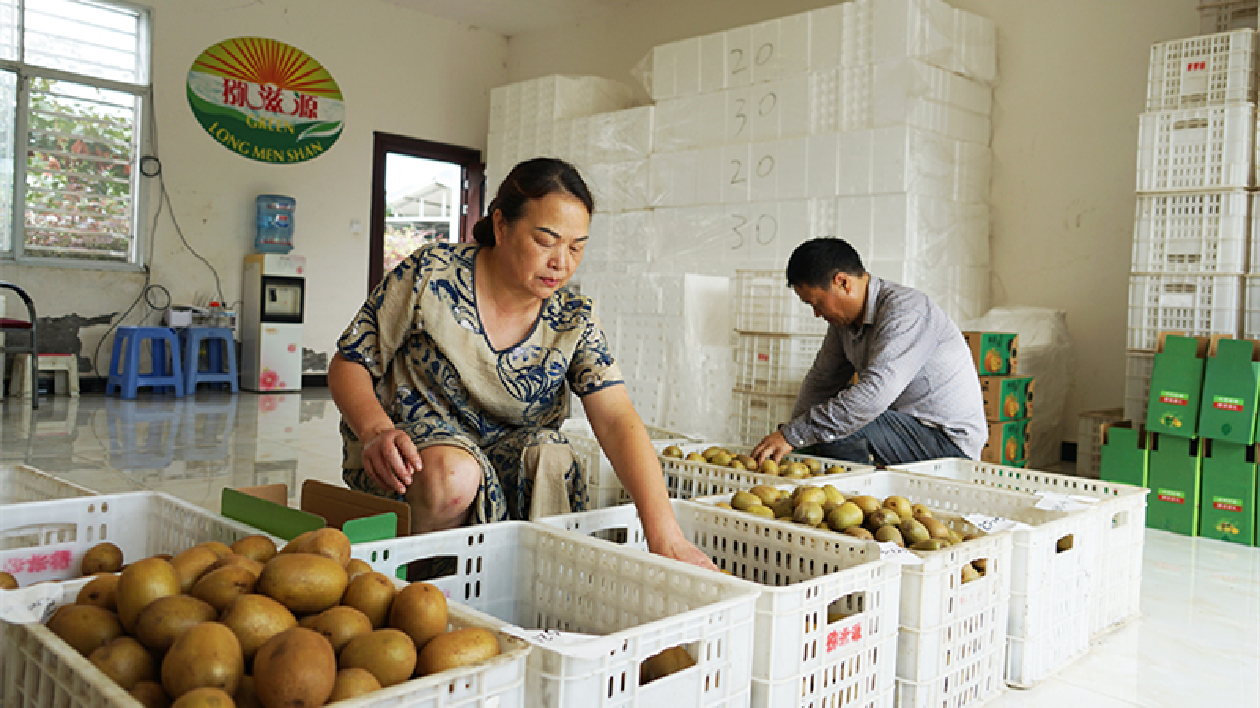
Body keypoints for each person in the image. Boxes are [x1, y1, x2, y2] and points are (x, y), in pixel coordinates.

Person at [329, 157, 714, 570]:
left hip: (507, 466)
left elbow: (617, 418)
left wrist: (667, 538)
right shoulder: (431, 276)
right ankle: (423, 587)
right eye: (546, 241)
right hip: (415, 464)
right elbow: (350, 362)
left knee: (552, 455)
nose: (561, 262)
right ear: (501, 226)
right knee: (453, 474)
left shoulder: (573, 319)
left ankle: (535, 583)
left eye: (576, 247)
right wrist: (375, 430)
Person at [751, 238, 987, 467]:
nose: (817, 314)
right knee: (827, 420)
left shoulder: (907, 312)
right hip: (904, 430)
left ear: (842, 282)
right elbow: (822, 381)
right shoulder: (843, 324)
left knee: (840, 426)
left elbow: (874, 394)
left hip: (948, 443)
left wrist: (795, 434)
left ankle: (856, 492)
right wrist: (788, 436)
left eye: (817, 303)